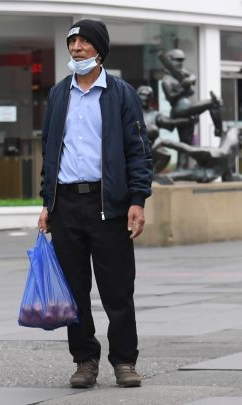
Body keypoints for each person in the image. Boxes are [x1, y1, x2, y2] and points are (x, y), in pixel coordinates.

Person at [38, 19, 153, 389]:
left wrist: (138, 199)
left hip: (109, 205)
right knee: (73, 290)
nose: (76, 48)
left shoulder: (120, 94)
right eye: (72, 42)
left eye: (84, 43)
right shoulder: (59, 95)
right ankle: (84, 359)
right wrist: (46, 202)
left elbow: (138, 150)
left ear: (100, 50)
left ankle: (124, 361)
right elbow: (49, 154)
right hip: (66, 205)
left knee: (117, 289)